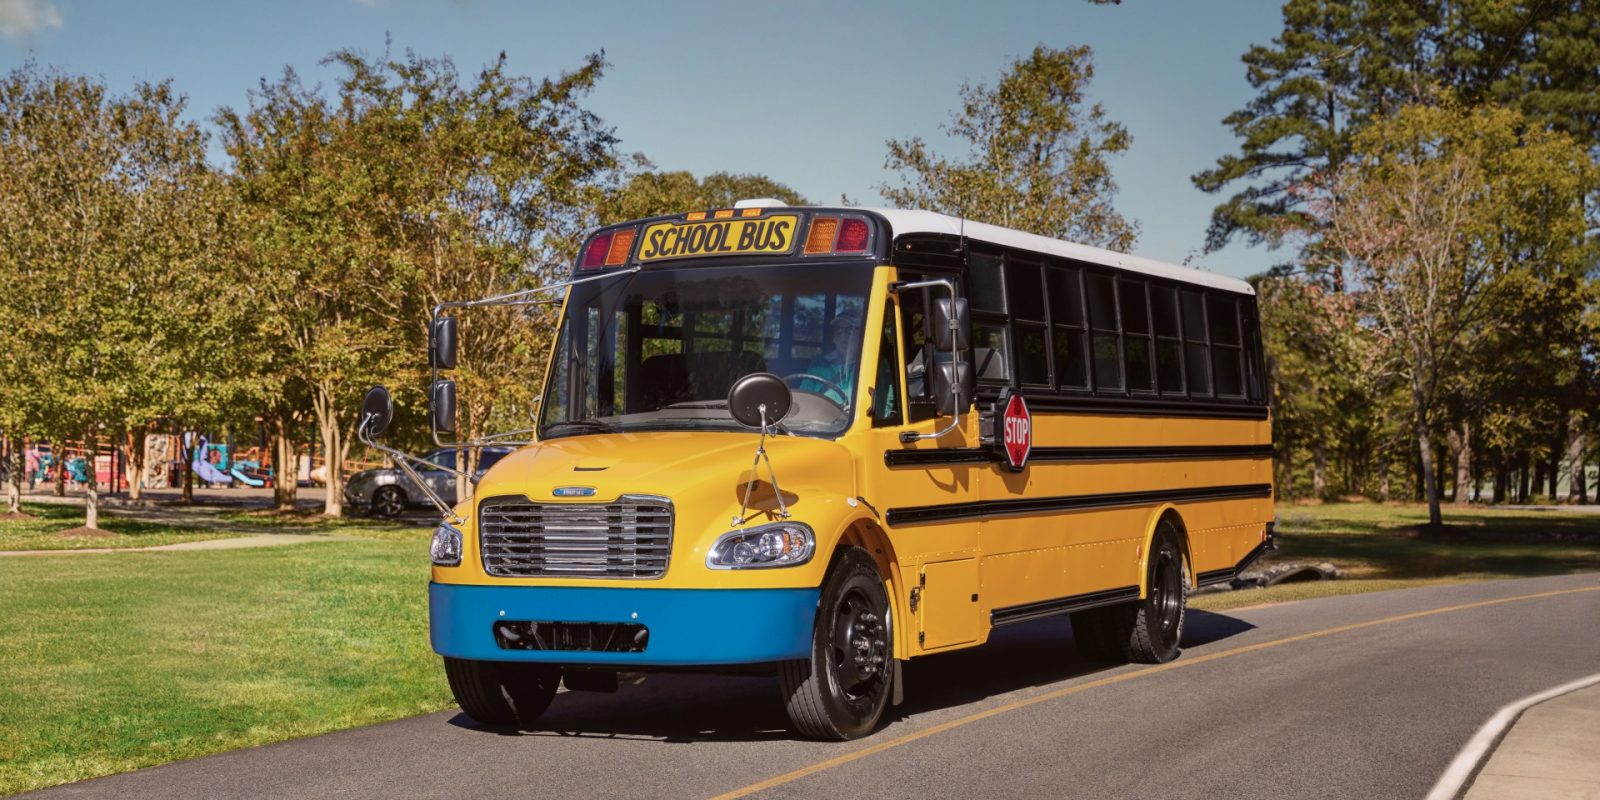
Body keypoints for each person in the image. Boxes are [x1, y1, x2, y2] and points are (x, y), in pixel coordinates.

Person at [798, 311, 862, 407]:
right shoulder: (818, 365)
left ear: (861, 336)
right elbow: (802, 400)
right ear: (834, 338)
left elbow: (883, 407)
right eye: (839, 331)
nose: (843, 336)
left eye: (849, 331)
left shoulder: (870, 365)